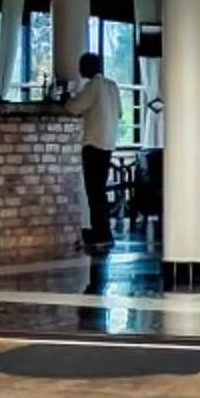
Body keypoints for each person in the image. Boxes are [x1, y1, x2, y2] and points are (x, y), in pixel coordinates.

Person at [66, 52, 122, 253]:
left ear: (89, 67)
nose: (80, 70)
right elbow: (121, 112)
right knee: (100, 191)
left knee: (94, 192)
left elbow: (75, 107)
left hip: (93, 144)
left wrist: (67, 100)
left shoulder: (93, 86)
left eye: (82, 66)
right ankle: (104, 233)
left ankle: (100, 234)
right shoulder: (112, 85)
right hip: (108, 144)